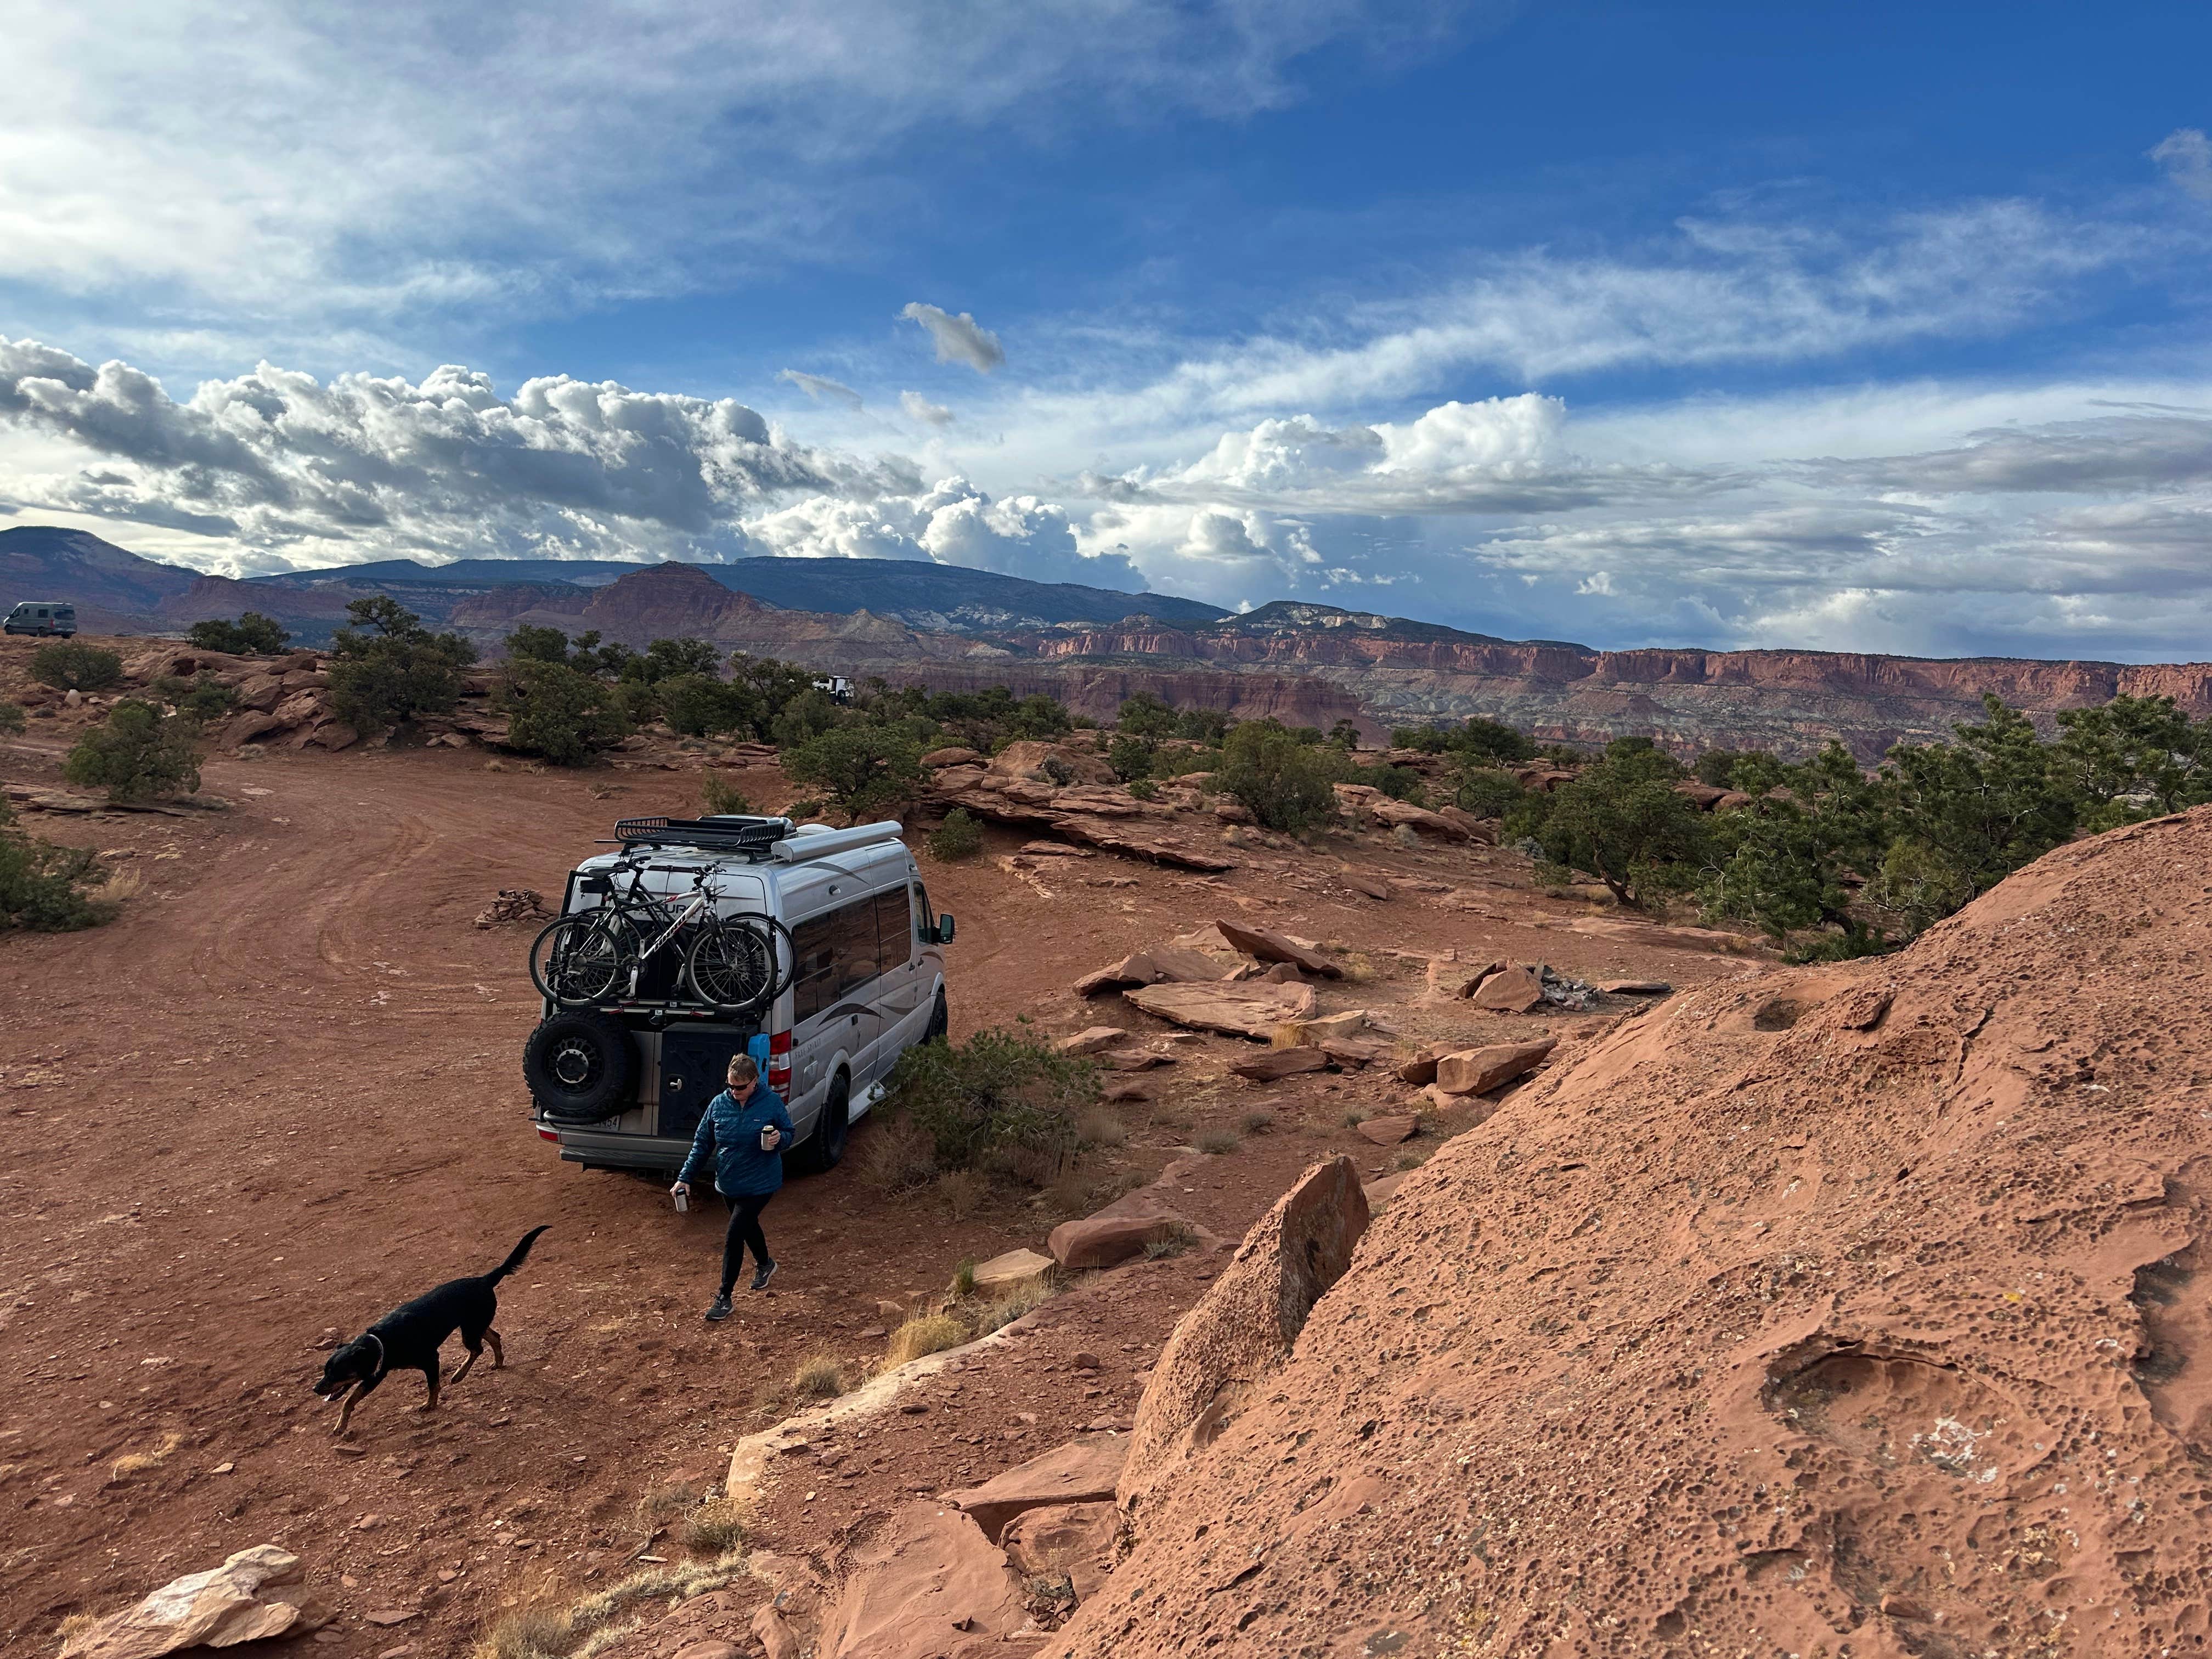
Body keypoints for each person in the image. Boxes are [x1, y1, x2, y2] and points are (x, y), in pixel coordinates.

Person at [671, 1053, 795, 1321]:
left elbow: (789, 1133)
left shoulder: (771, 1102)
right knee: (748, 1226)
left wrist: (779, 1138)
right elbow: (702, 1144)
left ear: (755, 1082)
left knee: (734, 1235)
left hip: (762, 1183)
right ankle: (766, 1264)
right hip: (728, 1183)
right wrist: (685, 1178)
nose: (735, 1091)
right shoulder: (718, 1105)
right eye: (731, 1086)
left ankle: (724, 1297)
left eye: (741, 1087)